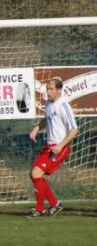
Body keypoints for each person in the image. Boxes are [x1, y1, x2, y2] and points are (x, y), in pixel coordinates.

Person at [26, 78, 77, 218]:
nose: (48, 92)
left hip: (60, 147)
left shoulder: (63, 106)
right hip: (49, 146)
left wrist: (61, 145)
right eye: (47, 89)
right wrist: (36, 128)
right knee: (34, 174)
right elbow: (46, 119)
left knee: (36, 173)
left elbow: (74, 130)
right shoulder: (48, 103)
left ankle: (40, 208)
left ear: (59, 90)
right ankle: (54, 204)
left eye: (51, 89)